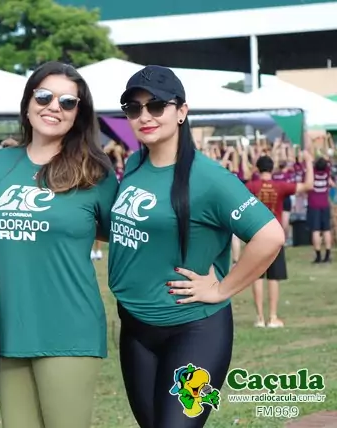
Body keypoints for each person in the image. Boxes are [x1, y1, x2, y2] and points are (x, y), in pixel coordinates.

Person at [110, 65, 285, 428]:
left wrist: (222, 288)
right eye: (134, 108)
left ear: (181, 112)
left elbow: (270, 236)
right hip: (136, 328)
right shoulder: (134, 164)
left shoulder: (209, 178)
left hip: (195, 332)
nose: (145, 116)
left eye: (156, 105)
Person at [0, 61, 119, 428]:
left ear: (78, 113)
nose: (54, 107)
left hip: (69, 330)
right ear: (28, 103)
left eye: (67, 102)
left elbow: (126, 233)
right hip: (11, 330)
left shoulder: (94, 170)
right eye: (43, 96)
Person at [246, 152, 314, 328]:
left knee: (256, 276)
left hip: (255, 234)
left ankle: (259, 318)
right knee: (273, 277)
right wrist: (308, 161)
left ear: (257, 168)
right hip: (274, 235)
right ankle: (273, 317)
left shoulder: (251, 186)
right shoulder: (280, 186)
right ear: (272, 168)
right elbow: (308, 185)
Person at [307, 156, 335, 263]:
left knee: (316, 231)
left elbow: (310, 166)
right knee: (326, 230)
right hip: (325, 205)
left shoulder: (312, 174)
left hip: (313, 205)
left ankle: (318, 256)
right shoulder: (327, 172)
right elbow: (329, 162)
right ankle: (327, 255)